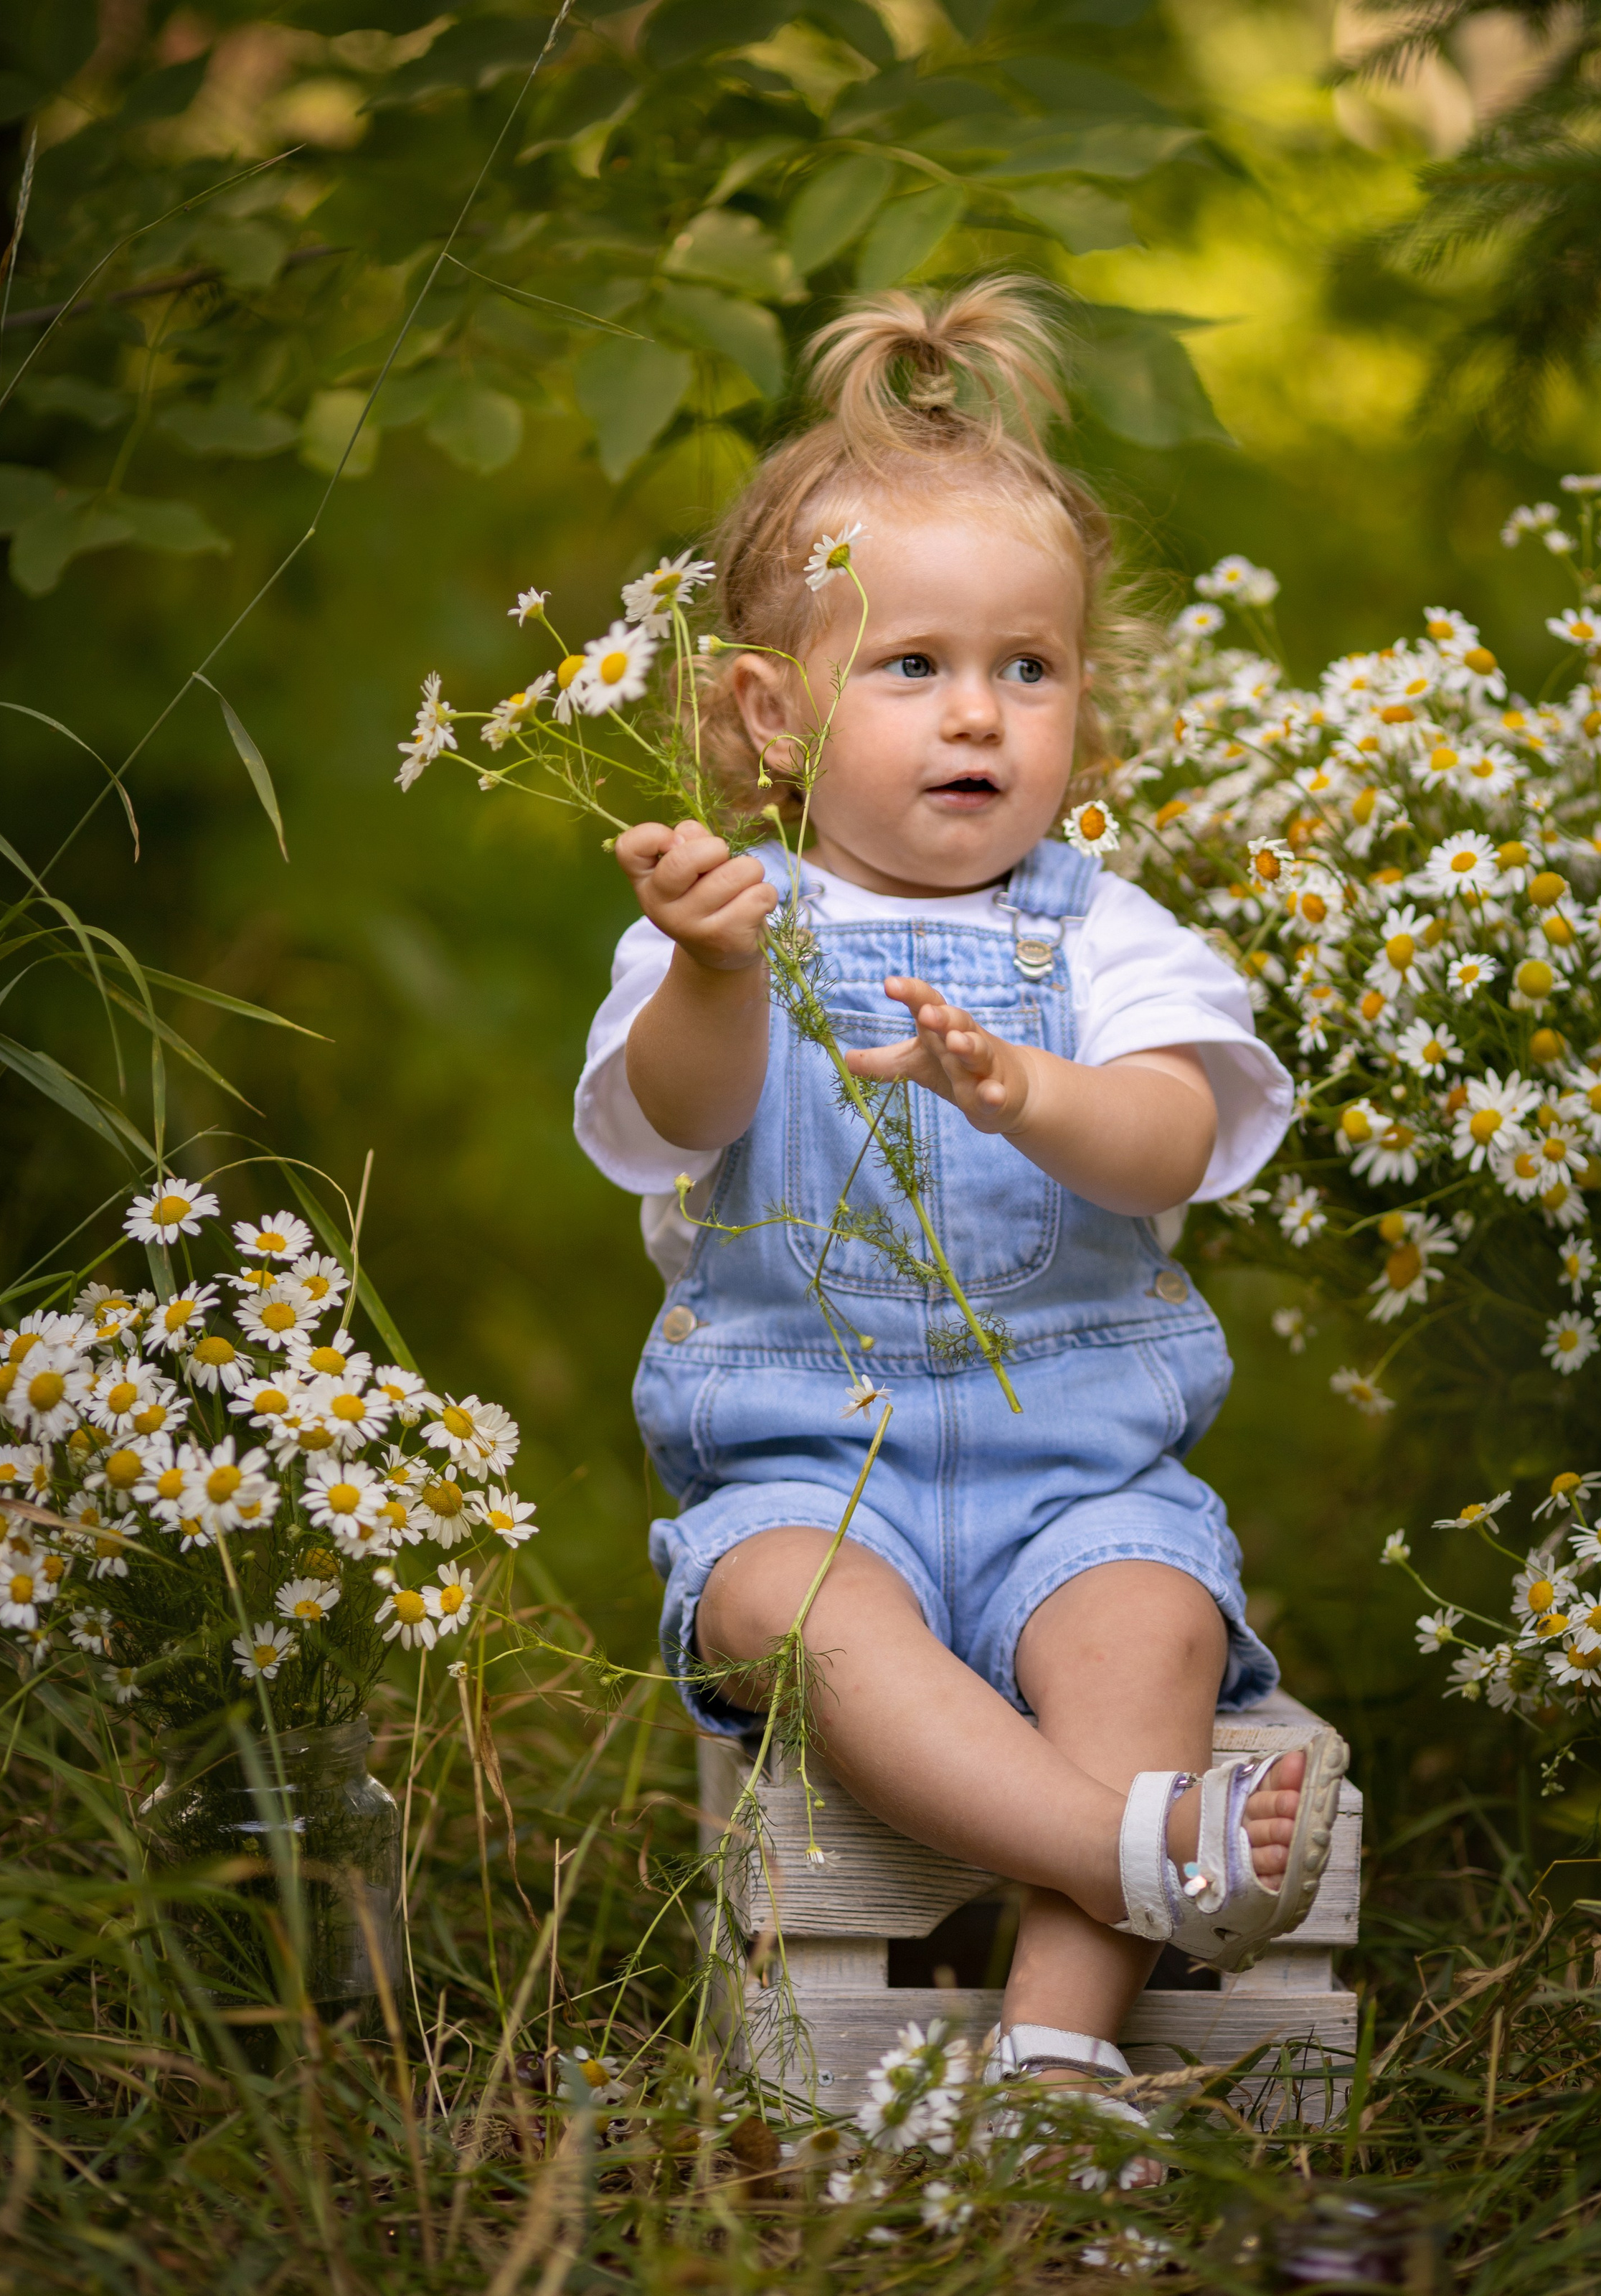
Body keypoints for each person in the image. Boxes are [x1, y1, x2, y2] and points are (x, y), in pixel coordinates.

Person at [575, 278, 1346, 2169]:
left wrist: (1034, 1094)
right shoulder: (722, 930)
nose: (979, 716)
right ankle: (1128, 1859)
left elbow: (1173, 1138)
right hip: (805, 1473)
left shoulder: (1107, 934)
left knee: (1151, 1629)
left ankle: (1056, 2058)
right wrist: (711, 977)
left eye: (1030, 668)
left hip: (1077, 1472)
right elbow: (672, 1121)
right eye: (911, 667)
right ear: (771, 714)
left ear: (1089, 700)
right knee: (789, 1617)